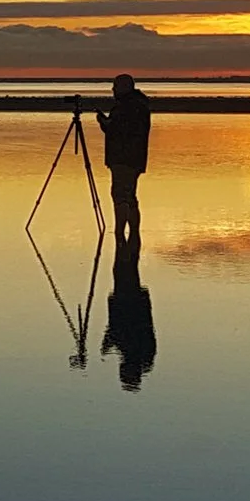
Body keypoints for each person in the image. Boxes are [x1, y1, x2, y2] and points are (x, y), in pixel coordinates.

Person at [95, 72, 151, 245]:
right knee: (130, 195)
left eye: (115, 87)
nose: (113, 90)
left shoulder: (127, 107)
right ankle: (133, 236)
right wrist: (107, 124)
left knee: (120, 195)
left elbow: (119, 130)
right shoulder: (139, 104)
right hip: (135, 158)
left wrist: (104, 123)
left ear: (124, 88)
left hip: (123, 158)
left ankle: (119, 233)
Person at [100, 230, 157, 390]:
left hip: (128, 301)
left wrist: (108, 343)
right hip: (130, 301)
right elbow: (119, 329)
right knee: (125, 266)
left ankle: (124, 238)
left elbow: (118, 329)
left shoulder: (138, 353)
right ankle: (125, 238)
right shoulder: (140, 353)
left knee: (124, 266)